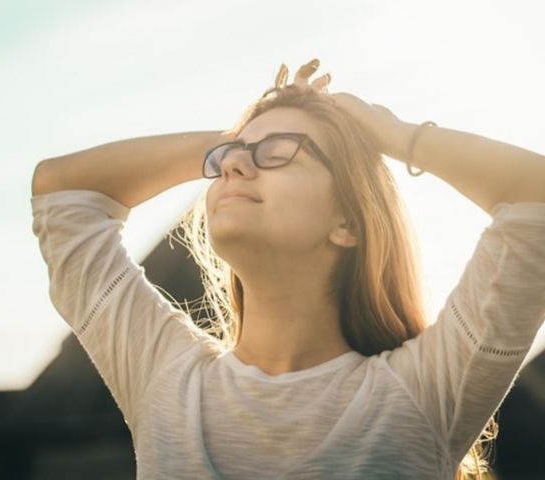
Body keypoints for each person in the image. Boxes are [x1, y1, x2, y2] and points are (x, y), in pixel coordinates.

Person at [30, 59, 545, 479]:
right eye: (227, 158)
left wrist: (389, 133)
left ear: (348, 221)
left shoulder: (426, 391)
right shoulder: (164, 377)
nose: (232, 166)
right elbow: (61, 189)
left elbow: (535, 195)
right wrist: (236, 137)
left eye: (278, 153)